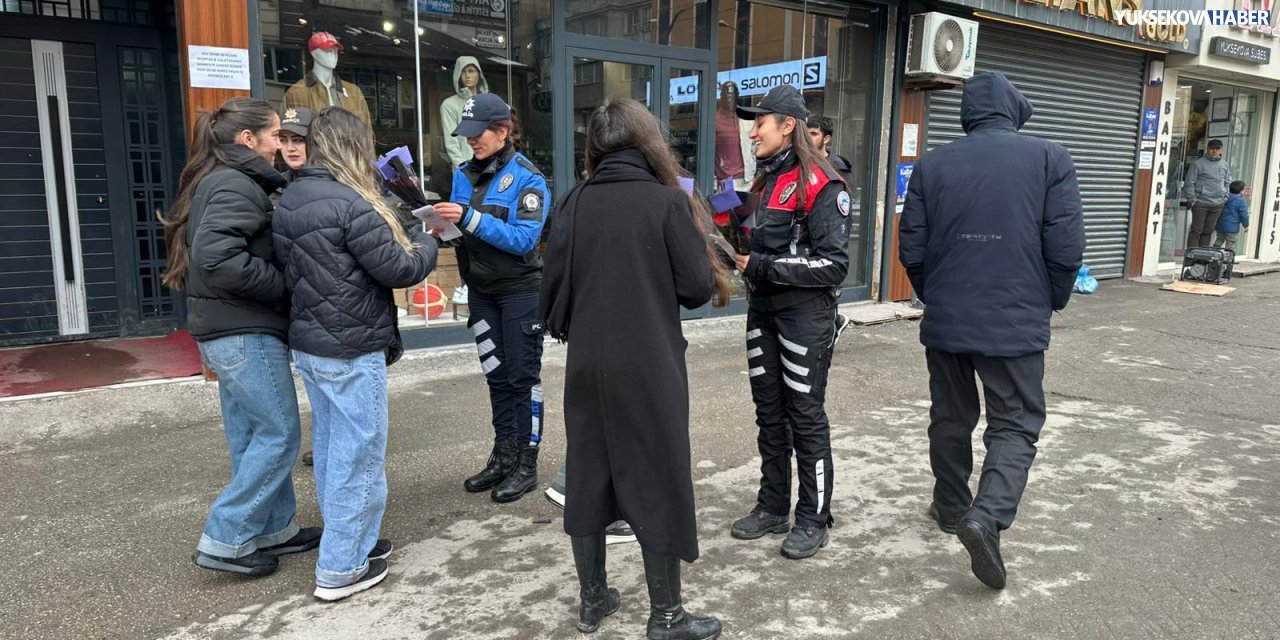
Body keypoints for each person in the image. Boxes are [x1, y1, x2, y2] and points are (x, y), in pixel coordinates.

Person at [541, 98, 729, 640]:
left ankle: (593, 600)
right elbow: (696, 289)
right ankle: (666, 616)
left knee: (588, 472)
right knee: (658, 474)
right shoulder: (667, 203)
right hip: (649, 363)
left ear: (594, 149)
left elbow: (552, 296)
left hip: (588, 362)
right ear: (648, 142)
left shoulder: (572, 202)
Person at [898, 72, 1086, 590]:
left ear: (967, 116)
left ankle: (953, 505)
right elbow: (1066, 245)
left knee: (950, 416)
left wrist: (937, 295)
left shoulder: (932, 164)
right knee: (1016, 422)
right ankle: (987, 516)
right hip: (1015, 317)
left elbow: (910, 247)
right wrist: (1049, 298)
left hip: (949, 318)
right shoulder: (1051, 157)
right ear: (1014, 111)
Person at [274, 106, 439, 601]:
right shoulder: (350, 203)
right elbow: (400, 269)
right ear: (352, 146)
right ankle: (341, 567)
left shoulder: (293, 196)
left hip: (312, 344)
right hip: (350, 347)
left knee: (331, 451)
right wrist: (427, 239)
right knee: (358, 457)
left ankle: (355, 544)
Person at [160, 97, 320, 577]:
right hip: (243, 332)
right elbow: (217, 259)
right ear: (247, 140)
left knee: (252, 435)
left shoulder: (221, 179)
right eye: (275, 135)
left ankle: (274, 530)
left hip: (225, 331)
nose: (281, 145)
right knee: (279, 434)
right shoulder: (235, 183)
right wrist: (282, 286)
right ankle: (226, 538)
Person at [728, 85, 850, 560]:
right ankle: (772, 505)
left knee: (805, 418)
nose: (752, 130)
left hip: (805, 320)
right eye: (752, 122)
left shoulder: (825, 183)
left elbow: (833, 266)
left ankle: (813, 517)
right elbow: (766, 246)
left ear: (789, 126)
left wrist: (760, 267)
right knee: (769, 415)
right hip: (763, 313)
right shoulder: (766, 180)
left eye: (761, 121)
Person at [436, 93, 551, 503]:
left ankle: (526, 462)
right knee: (496, 377)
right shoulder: (463, 173)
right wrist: (444, 230)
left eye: (477, 134)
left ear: (502, 132)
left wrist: (468, 218)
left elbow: (524, 239)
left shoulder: (529, 178)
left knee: (523, 379)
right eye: (465, 135)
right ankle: (503, 456)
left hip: (520, 294)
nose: (471, 142)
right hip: (481, 293)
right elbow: (464, 232)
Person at [805, 114, 855, 347]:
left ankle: (832, 323)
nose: (808, 137)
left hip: (829, 231)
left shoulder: (836, 169)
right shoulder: (802, 163)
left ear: (826, 139)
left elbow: (842, 209)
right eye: (806, 132)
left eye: (813, 133)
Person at [440, 56, 491, 172]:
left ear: (479, 74)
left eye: (471, 71)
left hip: (491, 169)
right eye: (463, 72)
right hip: (465, 170)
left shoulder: (489, 102)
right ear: (458, 75)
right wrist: (464, 169)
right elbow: (451, 143)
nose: (467, 75)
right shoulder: (449, 105)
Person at [1182, 138, 1232, 250]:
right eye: (1212, 148)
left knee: (1208, 231)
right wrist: (1192, 199)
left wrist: (1225, 196)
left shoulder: (1225, 165)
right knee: (1196, 230)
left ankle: (1203, 257)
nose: (1214, 151)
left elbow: (1227, 181)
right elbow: (1189, 183)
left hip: (1217, 204)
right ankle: (1192, 256)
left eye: (1217, 149)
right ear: (1207, 149)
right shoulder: (1198, 164)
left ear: (1220, 150)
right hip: (1201, 202)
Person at [1214, 180, 1250, 252]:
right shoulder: (1241, 201)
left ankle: (1214, 255)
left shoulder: (1225, 198)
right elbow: (1244, 215)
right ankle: (1228, 260)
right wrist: (1246, 225)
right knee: (1230, 244)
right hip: (1232, 228)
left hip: (1220, 225)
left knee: (1219, 240)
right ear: (1241, 191)